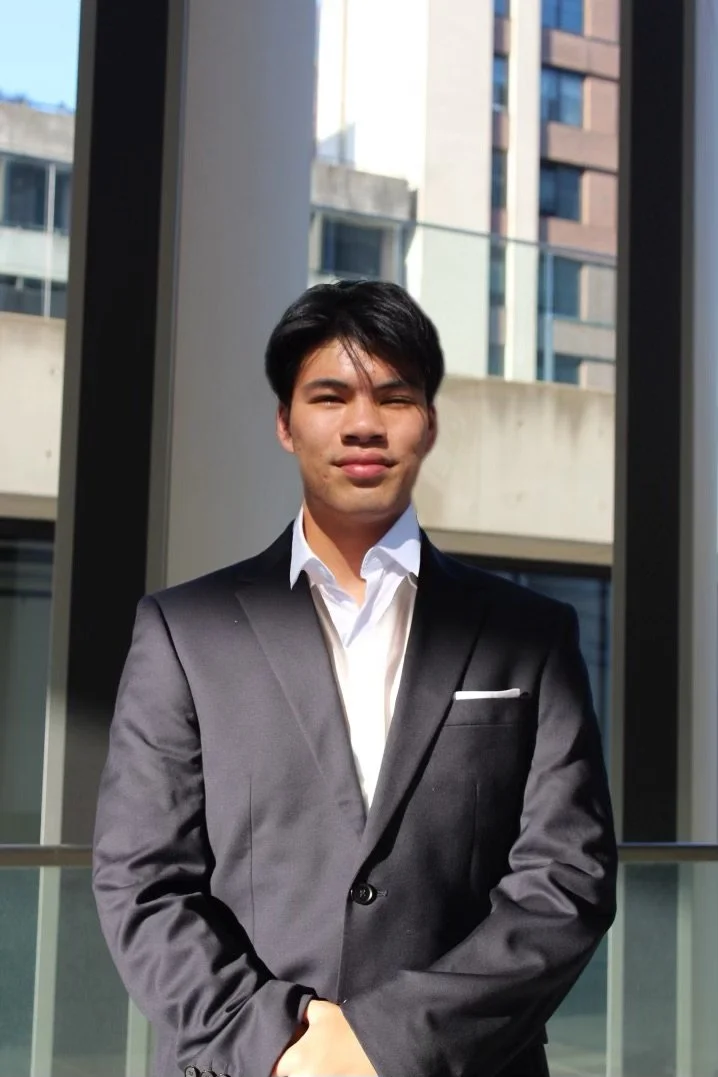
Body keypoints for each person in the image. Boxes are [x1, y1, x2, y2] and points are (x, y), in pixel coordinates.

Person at [92, 280, 617, 1077]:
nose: (363, 424)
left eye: (394, 398)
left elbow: (567, 876)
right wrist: (280, 1042)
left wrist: (388, 1041)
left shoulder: (530, 634)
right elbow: (142, 878)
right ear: (285, 422)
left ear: (430, 422)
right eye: (330, 396)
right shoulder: (184, 630)